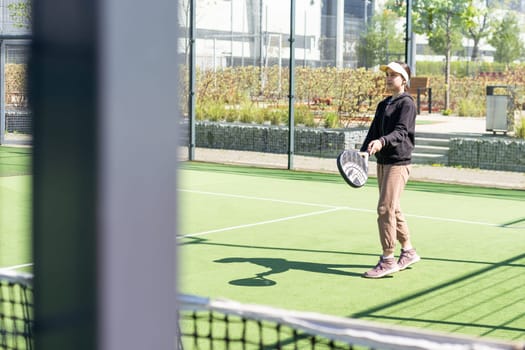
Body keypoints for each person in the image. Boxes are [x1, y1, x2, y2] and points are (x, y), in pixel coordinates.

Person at [360, 61, 420, 278]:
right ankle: (409, 251)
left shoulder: (407, 104)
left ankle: (388, 259)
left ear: (403, 79)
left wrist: (382, 142)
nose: (388, 78)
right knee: (393, 209)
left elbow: (401, 132)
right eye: (387, 74)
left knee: (384, 209)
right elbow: (373, 131)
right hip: (383, 162)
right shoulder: (383, 104)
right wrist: (364, 151)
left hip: (399, 163)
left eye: (393, 74)